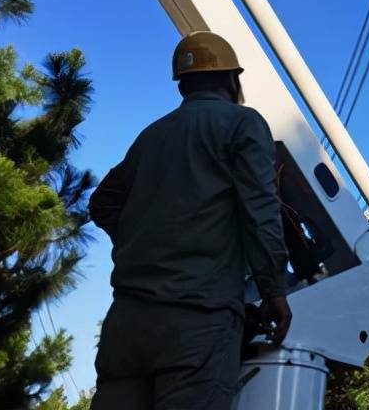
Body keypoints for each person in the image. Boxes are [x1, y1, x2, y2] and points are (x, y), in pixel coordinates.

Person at [89, 31, 292, 410]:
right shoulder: (242, 124)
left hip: (126, 325)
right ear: (233, 78)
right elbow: (260, 211)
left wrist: (143, 241)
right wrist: (274, 290)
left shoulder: (151, 135)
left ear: (182, 85)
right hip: (198, 321)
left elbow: (102, 203)